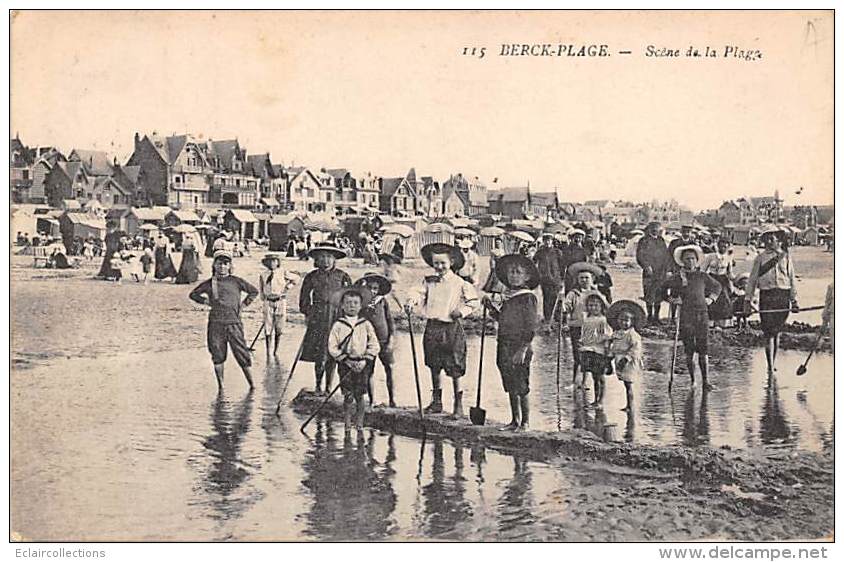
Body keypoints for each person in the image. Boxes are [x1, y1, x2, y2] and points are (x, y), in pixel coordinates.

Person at [405, 243, 480, 417]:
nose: (439, 267)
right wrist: (411, 301)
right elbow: (418, 292)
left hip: (451, 328)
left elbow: (473, 302)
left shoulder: (460, 282)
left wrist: (461, 312)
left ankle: (458, 405)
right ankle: (437, 401)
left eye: (443, 263)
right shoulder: (428, 281)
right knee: (434, 364)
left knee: (454, 366)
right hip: (433, 327)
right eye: (436, 263)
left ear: (451, 262)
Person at [481, 254, 539, 431]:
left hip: (519, 345)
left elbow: (530, 326)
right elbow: (503, 319)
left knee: (521, 383)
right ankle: (514, 420)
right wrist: (491, 308)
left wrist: (522, 349)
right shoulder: (509, 296)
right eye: (510, 272)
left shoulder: (527, 297)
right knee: (509, 382)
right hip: (504, 343)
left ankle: (525, 422)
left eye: (517, 272)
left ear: (526, 276)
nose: (513, 275)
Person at [189, 249, 258, 390]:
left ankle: (252, 385)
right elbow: (193, 294)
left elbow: (254, 291)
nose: (222, 267)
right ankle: (221, 386)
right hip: (216, 324)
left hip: (234, 323)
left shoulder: (236, 281)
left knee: (242, 353)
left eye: (225, 264)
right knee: (217, 353)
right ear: (214, 265)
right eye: (219, 263)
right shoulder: (210, 283)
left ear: (230, 266)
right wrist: (205, 302)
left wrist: (244, 305)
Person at [664, 244, 722, 390]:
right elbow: (661, 290)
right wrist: (672, 299)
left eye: (692, 259)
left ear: (697, 261)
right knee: (689, 350)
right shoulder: (677, 278)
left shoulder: (702, 276)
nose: (690, 262)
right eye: (687, 259)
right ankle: (693, 381)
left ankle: (706, 381)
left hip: (702, 314)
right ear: (682, 261)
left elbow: (717, 287)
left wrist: (711, 299)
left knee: (703, 350)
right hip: (685, 316)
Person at [300, 243, 352, 394]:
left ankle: (329, 387)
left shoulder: (342, 276)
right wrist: (309, 313)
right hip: (318, 318)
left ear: (335, 259)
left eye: (329, 257)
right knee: (319, 353)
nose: (326, 260)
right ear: (317, 259)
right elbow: (304, 298)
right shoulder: (312, 276)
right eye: (322, 256)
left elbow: (349, 297)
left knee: (334, 353)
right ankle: (318, 385)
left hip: (337, 317)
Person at [745, 225, 798, 375]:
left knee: (777, 331)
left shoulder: (785, 256)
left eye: (772, 238)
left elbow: (792, 278)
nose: (769, 241)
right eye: (766, 238)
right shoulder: (760, 258)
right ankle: (770, 365)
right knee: (768, 332)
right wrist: (748, 300)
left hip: (783, 295)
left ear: (778, 239)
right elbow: (752, 280)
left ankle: (773, 361)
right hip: (767, 296)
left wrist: (794, 300)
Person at [327, 287, 380, 433]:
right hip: (346, 363)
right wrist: (345, 360)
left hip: (362, 363)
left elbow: (374, 345)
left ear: (360, 305)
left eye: (355, 303)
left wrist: (365, 360)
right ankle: (347, 422)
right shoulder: (338, 325)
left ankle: (360, 422)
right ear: (342, 306)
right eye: (348, 303)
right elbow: (332, 346)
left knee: (360, 394)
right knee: (348, 394)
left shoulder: (365, 324)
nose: (352, 306)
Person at [559, 262, 606, 387]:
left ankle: (585, 382)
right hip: (577, 327)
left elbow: (606, 307)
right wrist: (562, 305)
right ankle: (575, 381)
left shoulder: (597, 293)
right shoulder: (573, 293)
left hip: (593, 328)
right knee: (578, 355)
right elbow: (566, 307)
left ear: (592, 279)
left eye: (587, 278)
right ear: (577, 280)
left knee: (590, 354)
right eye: (581, 278)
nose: (584, 280)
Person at [356, 273, 396, 407]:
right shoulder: (360, 304)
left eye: (375, 288)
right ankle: (372, 400)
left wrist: (391, 339)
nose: (372, 291)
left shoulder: (383, 301)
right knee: (368, 370)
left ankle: (392, 400)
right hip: (368, 343)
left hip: (383, 340)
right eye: (369, 288)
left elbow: (390, 321)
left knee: (389, 368)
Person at [607, 300, 645, 412]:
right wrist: (610, 356)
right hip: (619, 359)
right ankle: (628, 404)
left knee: (629, 384)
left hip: (629, 361)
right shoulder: (617, 333)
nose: (623, 323)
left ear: (632, 322)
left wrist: (626, 359)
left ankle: (630, 405)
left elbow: (636, 349)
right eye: (621, 320)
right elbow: (613, 345)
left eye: (626, 320)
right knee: (625, 383)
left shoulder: (633, 335)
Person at [259, 253, 298, 360]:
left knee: (279, 327)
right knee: (267, 326)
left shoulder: (283, 272)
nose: (272, 263)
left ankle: (276, 350)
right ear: (266, 263)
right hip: (268, 302)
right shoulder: (263, 274)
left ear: (278, 262)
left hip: (280, 301)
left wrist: (287, 288)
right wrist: (263, 299)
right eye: (270, 261)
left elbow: (296, 279)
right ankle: (268, 351)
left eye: (274, 261)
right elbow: (261, 289)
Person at [579, 293, 613, 407]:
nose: (593, 308)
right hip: (588, 349)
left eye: (596, 305)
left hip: (599, 350)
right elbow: (584, 334)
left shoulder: (603, 320)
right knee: (594, 376)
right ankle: (595, 399)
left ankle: (601, 400)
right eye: (590, 305)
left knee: (600, 376)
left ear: (601, 306)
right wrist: (582, 341)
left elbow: (608, 335)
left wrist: (607, 350)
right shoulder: (586, 319)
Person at [635, 221, 671, 325]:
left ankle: (656, 317)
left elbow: (666, 256)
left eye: (658, 229)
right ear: (650, 229)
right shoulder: (644, 241)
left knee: (659, 295)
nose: (656, 231)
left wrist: (667, 269)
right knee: (649, 294)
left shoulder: (661, 240)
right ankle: (650, 316)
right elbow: (640, 256)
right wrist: (646, 266)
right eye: (654, 229)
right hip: (649, 273)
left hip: (661, 272)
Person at [701, 237, 735, 327]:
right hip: (711, 278)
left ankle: (721, 324)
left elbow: (730, 273)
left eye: (725, 246)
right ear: (718, 245)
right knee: (710, 300)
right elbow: (703, 269)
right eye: (722, 245)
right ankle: (710, 323)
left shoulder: (729, 258)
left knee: (724, 300)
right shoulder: (710, 256)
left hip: (723, 280)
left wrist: (736, 280)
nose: (723, 248)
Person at [533, 234, 566, 323]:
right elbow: (533, 262)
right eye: (546, 240)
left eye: (549, 240)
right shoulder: (540, 252)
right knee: (546, 298)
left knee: (554, 298)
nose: (547, 242)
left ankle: (553, 316)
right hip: (544, 279)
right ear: (543, 241)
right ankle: (547, 317)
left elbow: (562, 266)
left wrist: (562, 279)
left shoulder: (557, 252)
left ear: (552, 241)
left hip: (556, 279)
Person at [563, 229, 588, 294]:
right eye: (576, 237)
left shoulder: (583, 250)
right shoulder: (568, 249)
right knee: (569, 292)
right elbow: (564, 262)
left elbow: (585, 263)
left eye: (579, 238)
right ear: (572, 238)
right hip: (570, 275)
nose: (578, 239)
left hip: (580, 275)